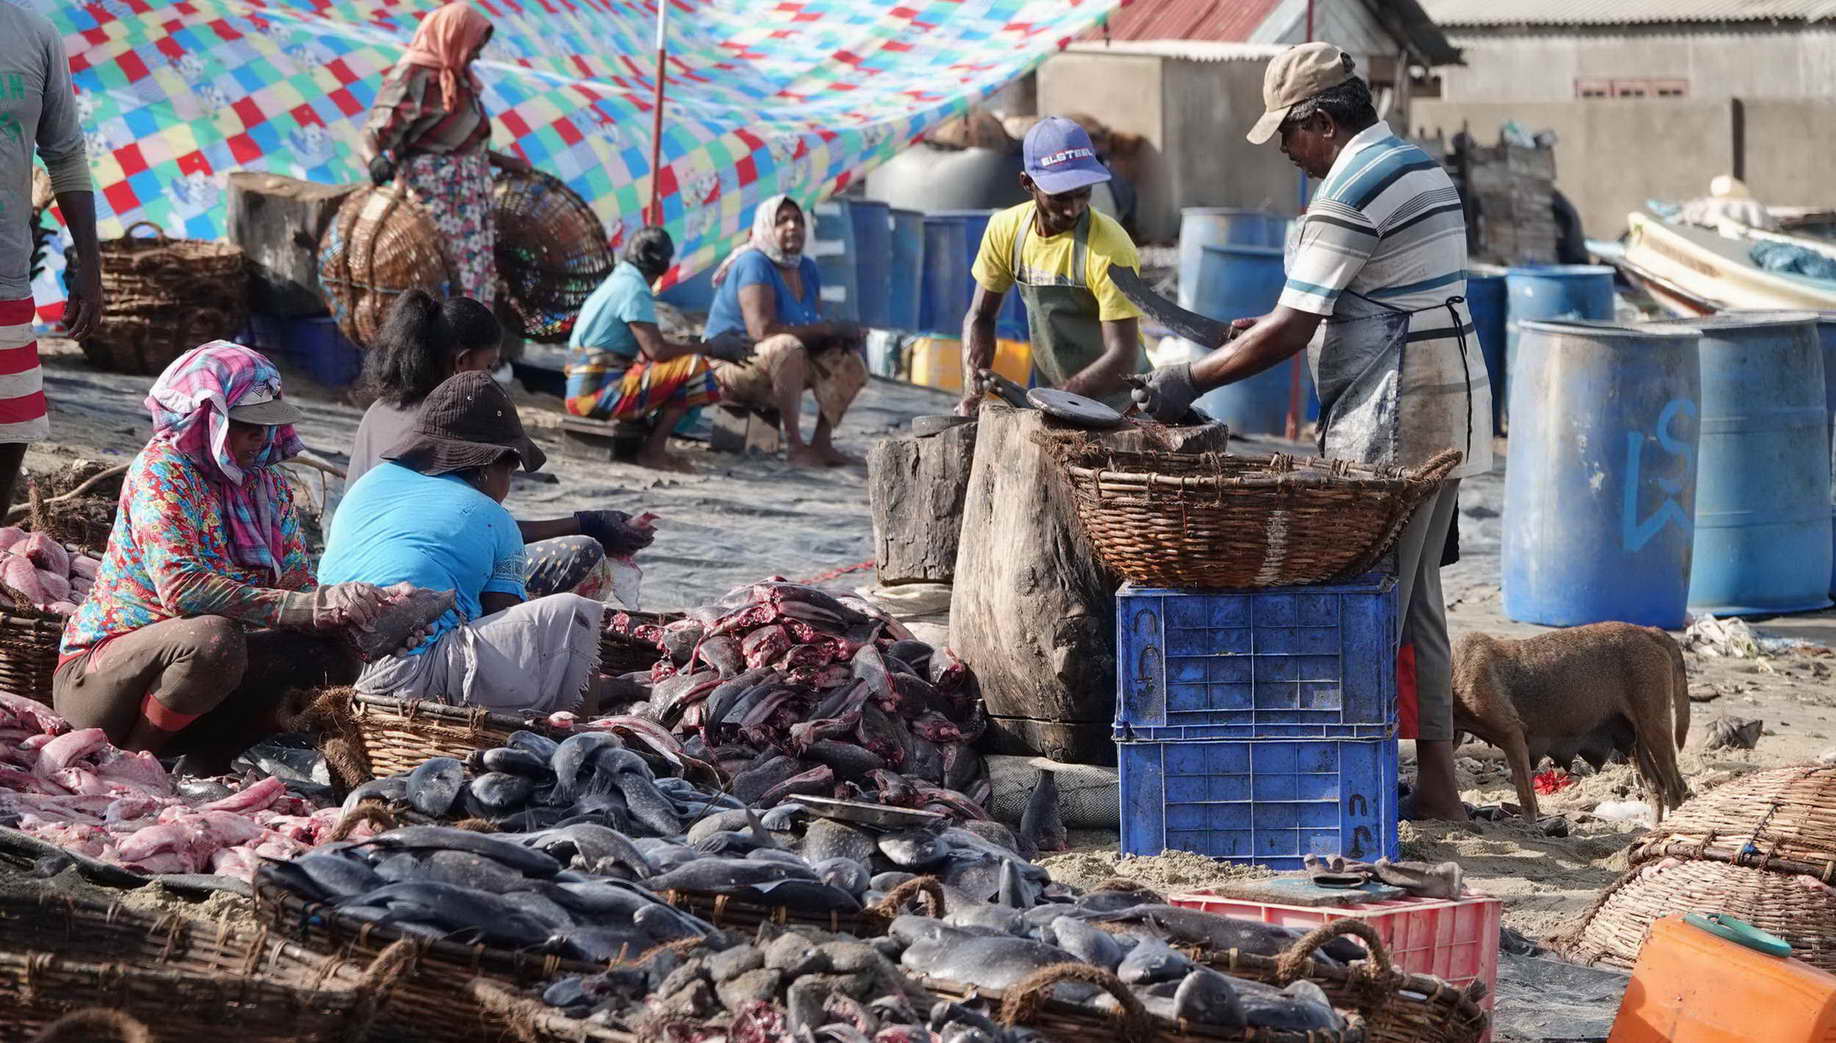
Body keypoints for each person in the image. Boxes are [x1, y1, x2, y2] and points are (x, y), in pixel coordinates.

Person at [1129, 44, 1492, 822]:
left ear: (1321, 123)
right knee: (1419, 598)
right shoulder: (1415, 164)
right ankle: (1437, 787)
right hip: (1451, 398)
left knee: (1368, 605)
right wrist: (1268, 324)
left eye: (1290, 138)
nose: (1291, 156)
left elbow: (1295, 330)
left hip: (1400, 409)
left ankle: (1341, 793)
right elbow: (1377, 292)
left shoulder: (1349, 188)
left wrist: (1186, 380)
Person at [55, 343, 396, 760]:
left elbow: (297, 582)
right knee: (214, 638)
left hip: (200, 680)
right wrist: (299, 607)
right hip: (104, 682)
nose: (262, 437)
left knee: (330, 653)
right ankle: (134, 760)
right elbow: (182, 590)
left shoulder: (268, 487)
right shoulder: (162, 473)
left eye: (268, 426)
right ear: (207, 420)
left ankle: (208, 759)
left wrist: (350, 608)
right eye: (248, 425)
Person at [319, 372, 612, 715]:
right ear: (489, 465)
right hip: (402, 675)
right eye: (510, 472)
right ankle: (586, 730)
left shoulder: (371, 482)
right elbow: (505, 621)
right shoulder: (496, 518)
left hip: (330, 659)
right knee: (575, 614)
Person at [349, 289, 654, 599]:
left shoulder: (380, 411)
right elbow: (482, 530)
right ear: (462, 362)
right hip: (408, 590)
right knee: (580, 554)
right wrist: (585, 524)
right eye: (489, 367)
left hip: (352, 574)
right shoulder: (445, 430)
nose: (491, 378)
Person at [956, 117, 1145, 414]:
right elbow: (980, 315)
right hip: (1059, 401)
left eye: (1084, 193)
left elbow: (1123, 355)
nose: (1074, 208)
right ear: (1028, 183)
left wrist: (1053, 399)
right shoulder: (1007, 230)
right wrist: (971, 393)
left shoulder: (1110, 246)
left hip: (1124, 407)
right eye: (1060, 198)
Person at [3, 3, 104, 515]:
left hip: (5, 276)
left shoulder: (35, 35)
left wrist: (89, 263)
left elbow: (65, 153)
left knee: (8, 431)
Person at [361, 1, 530, 306]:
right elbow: (374, 132)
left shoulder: (458, 78)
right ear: (453, 34)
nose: (477, 52)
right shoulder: (414, 74)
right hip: (435, 199)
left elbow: (460, 140)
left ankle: (467, 349)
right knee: (440, 278)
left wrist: (504, 161)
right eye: (475, 43)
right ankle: (439, 349)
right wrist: (375, 161)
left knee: (473, 281)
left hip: (468, 202)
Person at [565, 226, 747, 471]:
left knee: (675, 367)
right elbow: (656, 351)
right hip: (592, 398)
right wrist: (711, 347)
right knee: (693, 367)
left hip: (581, 392)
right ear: (662, 267)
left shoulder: (619, 279)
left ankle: (651, 446)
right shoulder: (634, 288)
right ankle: (653, 450)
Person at [704, 196, 867, 468]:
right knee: (787, 347)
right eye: (782, 221)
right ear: (767, 227)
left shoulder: (806, 268)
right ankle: (795, 446)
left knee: (848, 358)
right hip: (730, 365)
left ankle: (821, 443)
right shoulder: (753, 263)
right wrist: (827, 328)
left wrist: (839, 336)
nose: (793, 227)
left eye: (798, 221)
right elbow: (761, 331)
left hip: (774, 363)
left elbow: (809, 325)